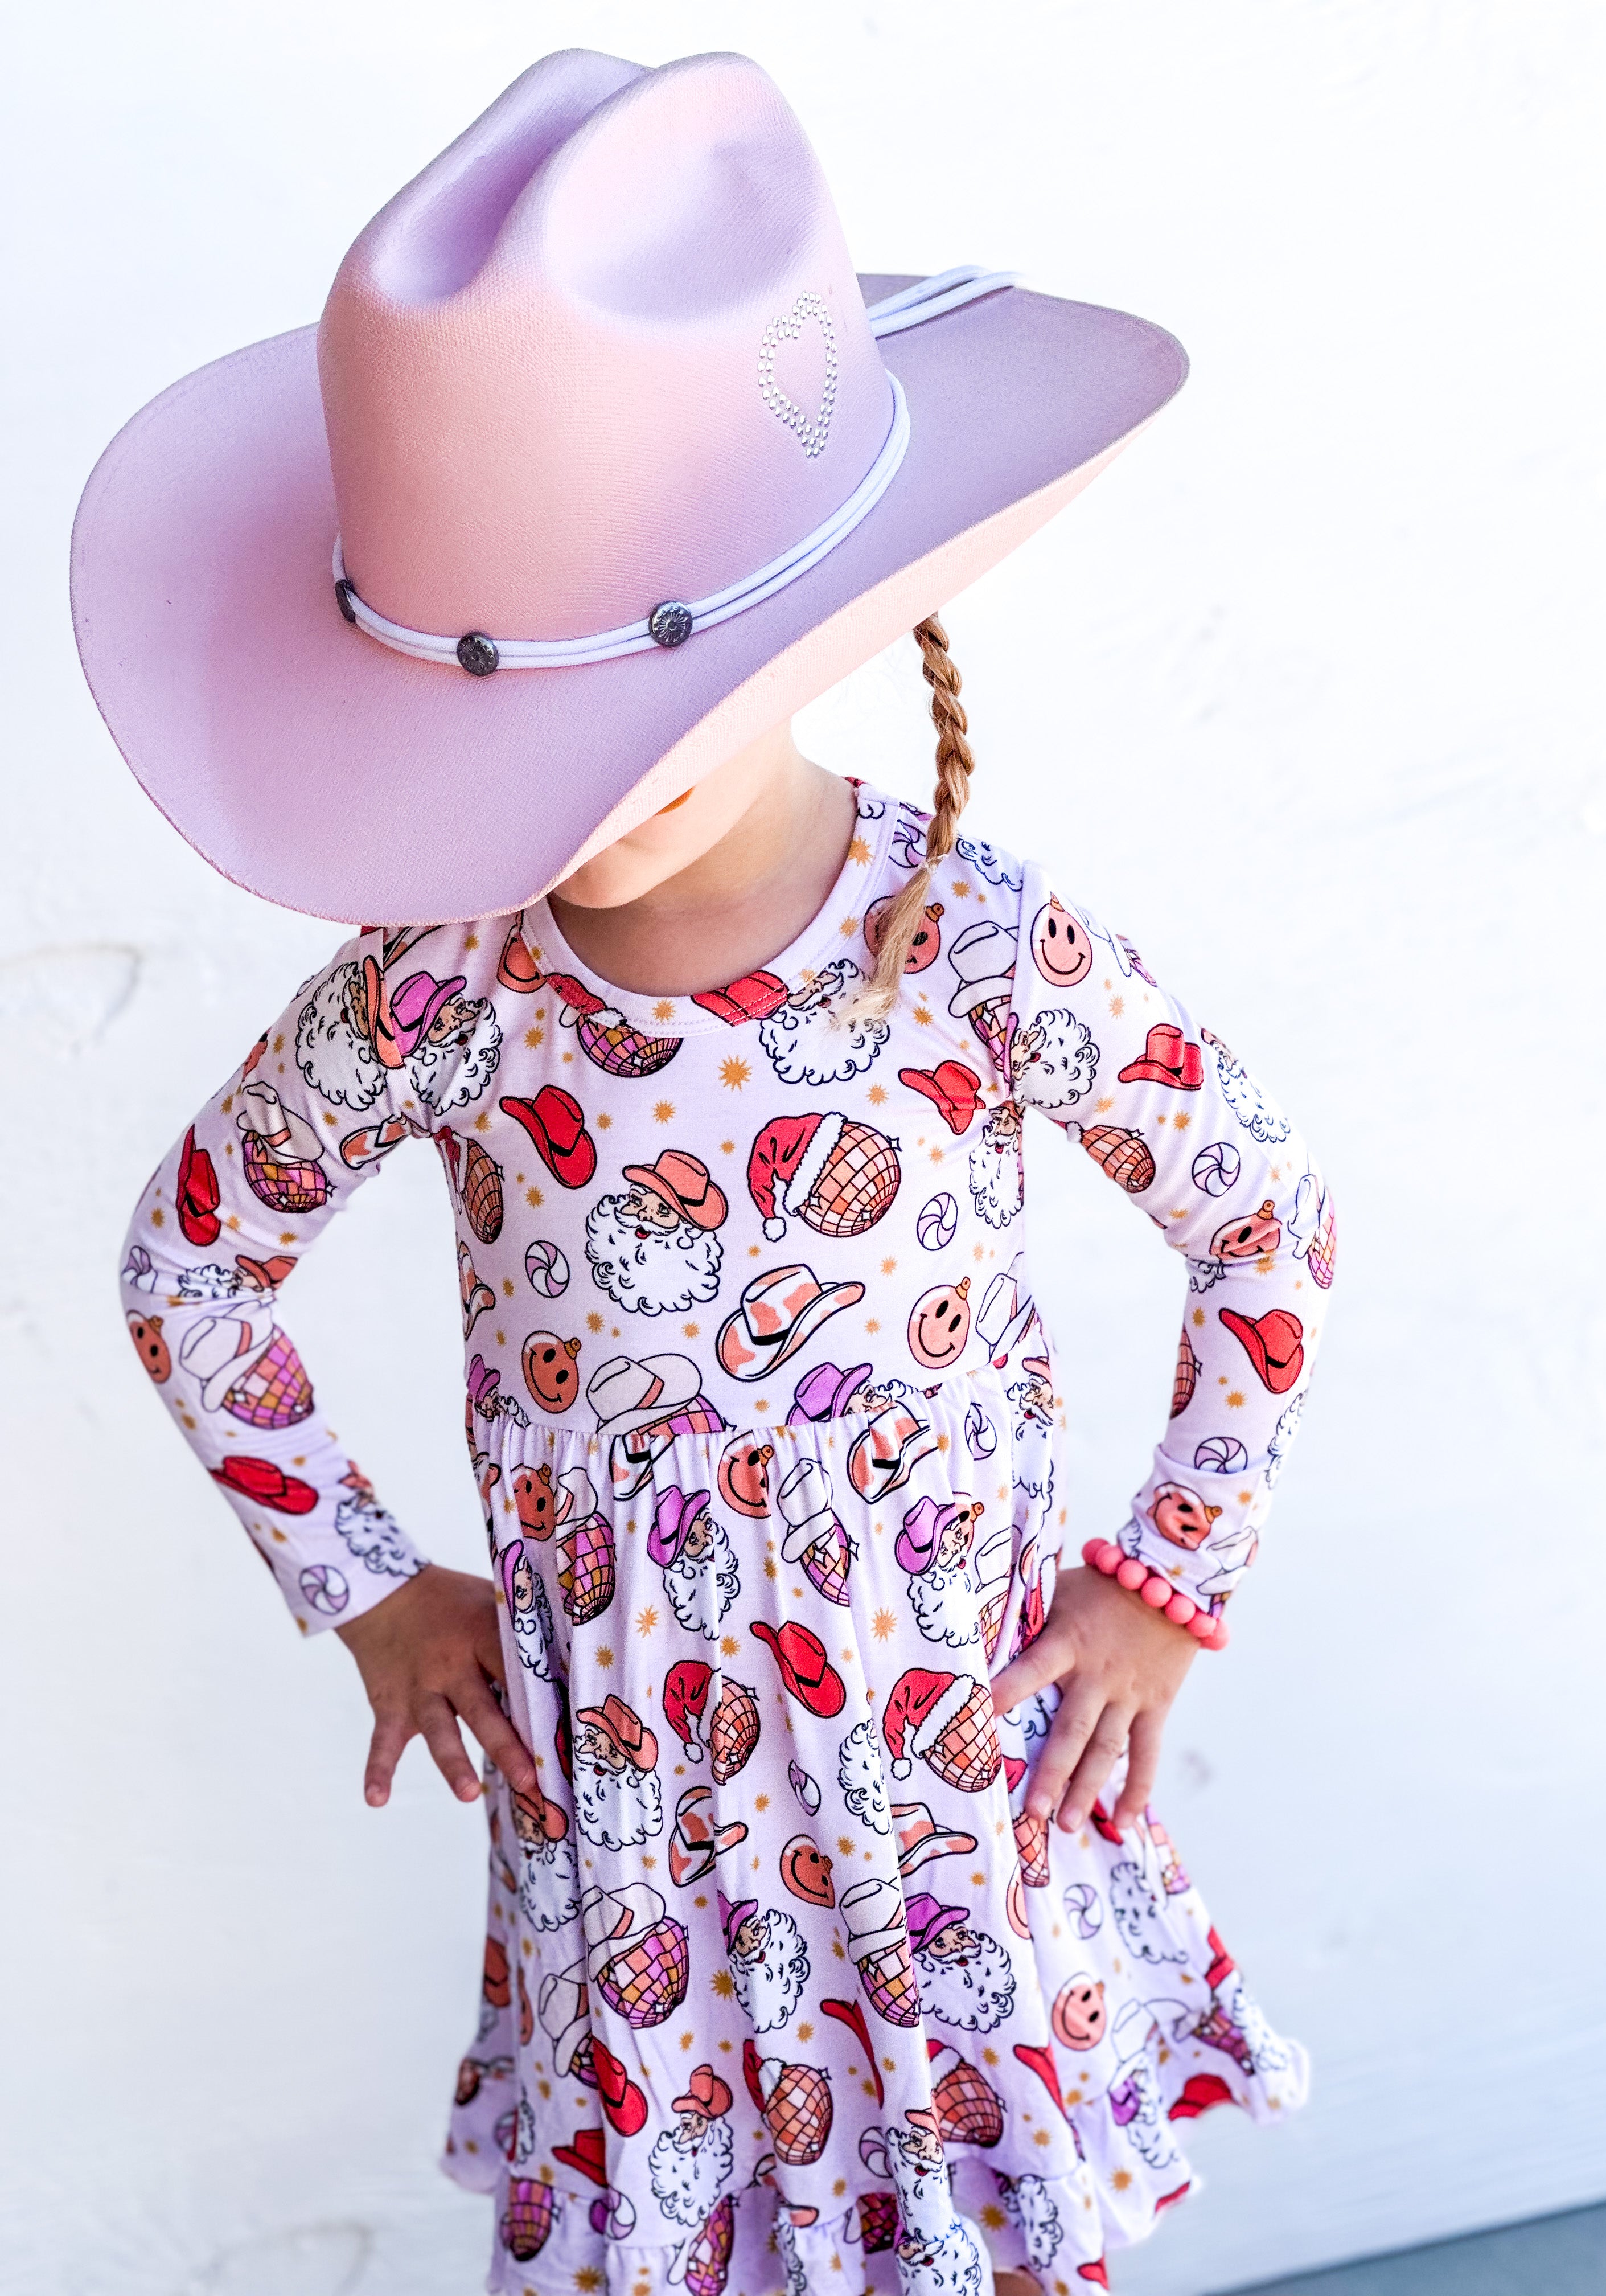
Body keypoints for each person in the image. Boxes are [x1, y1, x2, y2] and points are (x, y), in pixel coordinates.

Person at [79, 47, 1336, 2296]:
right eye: (518, 728)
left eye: (632, 721)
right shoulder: (442, 986)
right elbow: (194, 1264)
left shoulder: (968, 940)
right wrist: (367, 1585)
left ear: (805, 618)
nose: (579, 795)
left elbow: (1265, 1218)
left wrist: (1173, 1574)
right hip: (636, 1856)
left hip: (947, 1801)